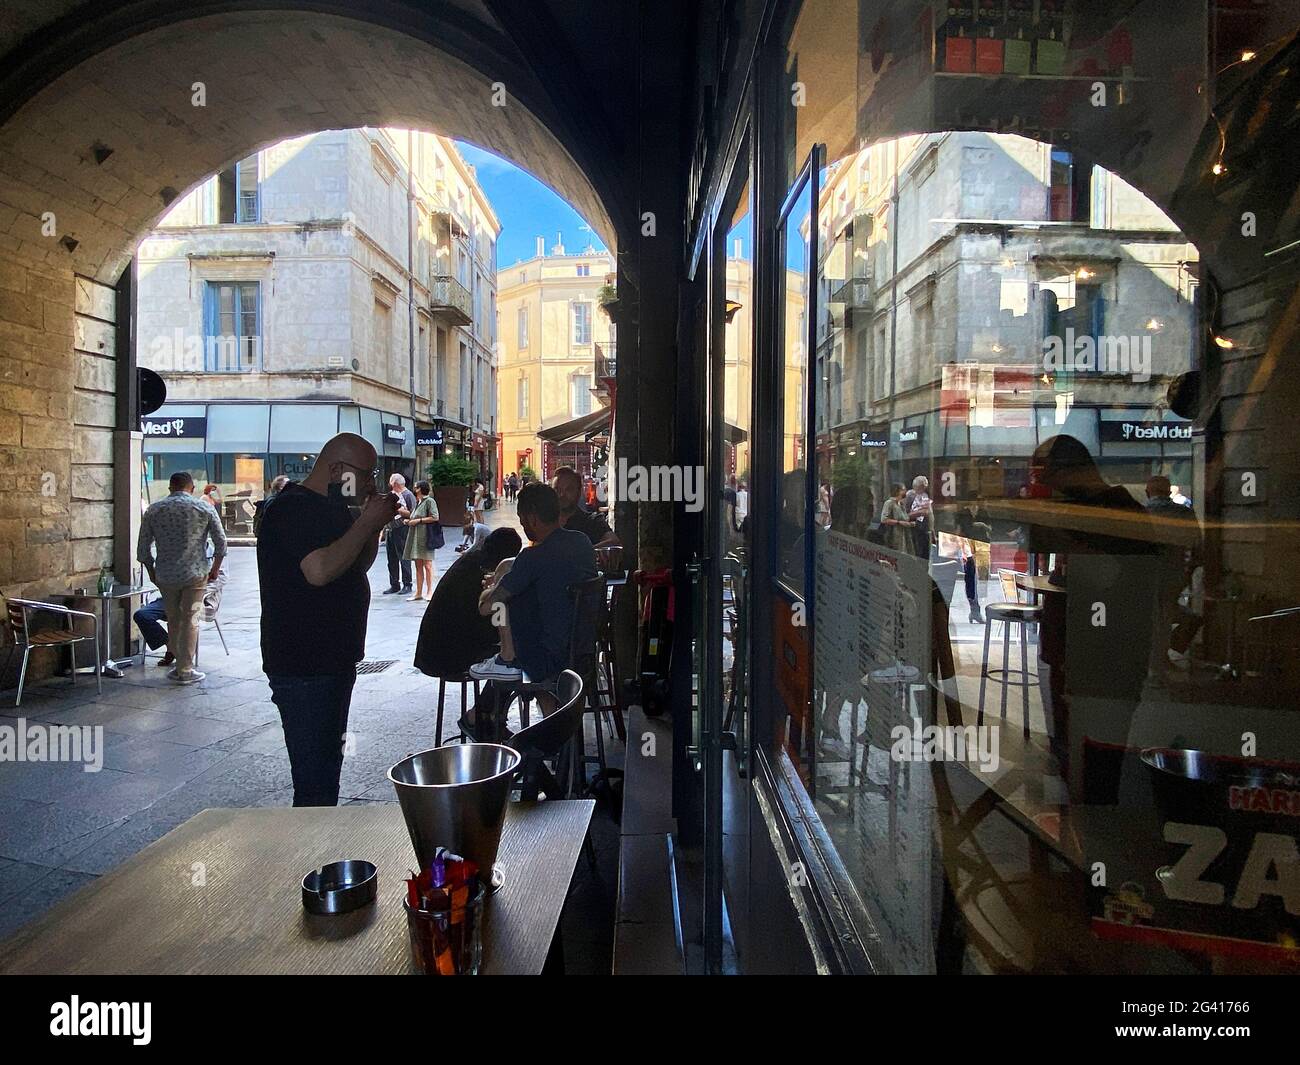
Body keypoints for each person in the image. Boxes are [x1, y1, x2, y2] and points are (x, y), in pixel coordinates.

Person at [257, 432, 397, 806]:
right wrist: (366, 522)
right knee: (315, 777)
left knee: (327, 765)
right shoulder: (291, 508)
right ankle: (310, 857)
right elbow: (318, 571)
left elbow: (355, 565)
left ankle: (318, 850)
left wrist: (372, 525)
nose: (370, 483)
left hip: (334, 658)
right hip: (304, 663)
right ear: (337, 469)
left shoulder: (335, 506)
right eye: (365, 474)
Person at [471, 482, 597, 682]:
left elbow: (487, 607)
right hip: (584, 649)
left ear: (532, 518)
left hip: (547, 657)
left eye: (522, 520)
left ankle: (506, 658)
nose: (522, 525)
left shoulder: (532, 557)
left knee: (503, 602)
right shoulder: (582, 541)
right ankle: (554, 711)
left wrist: (494, 586)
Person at [136, 472, 226, 684]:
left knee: (174, 619)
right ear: (192, 488)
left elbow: (143, 549)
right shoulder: (204, 508)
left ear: (170, 488)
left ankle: (178, 665)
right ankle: (185, 669)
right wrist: (215, 569)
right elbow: (221, 543)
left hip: (166, 574)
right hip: (196, 573)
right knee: (191, 620)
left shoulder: (154, 510)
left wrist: (152, 572)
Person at [414, 527, 523, 679]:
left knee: (510, 657)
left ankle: (488, 702)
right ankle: (488, 703)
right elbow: (486, 609)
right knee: (515, 658)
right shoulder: (482, 569)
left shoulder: (472, 560)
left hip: (434, 649)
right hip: (449, 654)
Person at [1144, 474, 1202, 667]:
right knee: (1168, 616)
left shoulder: (1141, 514)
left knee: (1152, 619)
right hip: (1174, 575)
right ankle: (1162, 657)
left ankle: (1156, 660)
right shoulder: (1184, 513)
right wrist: (1188, 573)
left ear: (1147, 492)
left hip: (1146, 576)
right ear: (1169, 492)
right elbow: (1198, 547)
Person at [551, 465, 620, 547]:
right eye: (557, 489)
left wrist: (584, 555)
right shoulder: (544, 521)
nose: (561, 495)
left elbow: (614, 542)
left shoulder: (592, 521)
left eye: (569, 489)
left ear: (579, 492)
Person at [402, 479, 440, 601]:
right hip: (416, 536)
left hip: (425, 536)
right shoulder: (419, 502)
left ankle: (429, 591)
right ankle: (418, 592)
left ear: (420, 489)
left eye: (416, 487)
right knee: (418, 564)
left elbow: (435, 517)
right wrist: (409, 521)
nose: (414, 489)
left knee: (427, 564)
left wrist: (418, 521)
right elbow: (414, 516)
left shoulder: (429, 501)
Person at [954, 502, 991, 624]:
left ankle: (976, 610)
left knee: (982, 579)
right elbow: (958, 532)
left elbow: (990, 529)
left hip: (982, 545)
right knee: (970, 577)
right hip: (967, 546)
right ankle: (975, 610)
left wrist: (982, 525)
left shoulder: (983, 512)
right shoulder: (963, 514)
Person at [382, 473, 416, 596]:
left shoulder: (408, 495)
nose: (390, 486)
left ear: (395, 483)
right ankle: (394, 583)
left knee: (403, 556)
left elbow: (413, 513)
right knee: (391, 558)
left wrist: (400, 511)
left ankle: (407, 584)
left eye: (391, 483)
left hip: (402, 528)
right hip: (391, 529)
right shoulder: (392, 495)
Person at [880, 483, 914, 554]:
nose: (905, 492)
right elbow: (884, 519)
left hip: (904, 536)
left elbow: (905, 518)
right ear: (897, 491)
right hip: (894, 536)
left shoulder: (901, 504)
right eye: (903, 490)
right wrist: (898, 522)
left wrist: (909, 523)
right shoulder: (889, 503)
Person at [905, 475, 933, 559]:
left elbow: (928, 513)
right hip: (916, 528)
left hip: (925, 529)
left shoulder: (924, 496)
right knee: (918, 552)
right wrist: (920, 512)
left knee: (926, 552)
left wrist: (932, 530)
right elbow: (907, 513)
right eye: (921, 487)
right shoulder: (910, 496)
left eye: (924, 487)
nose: (923, 489)